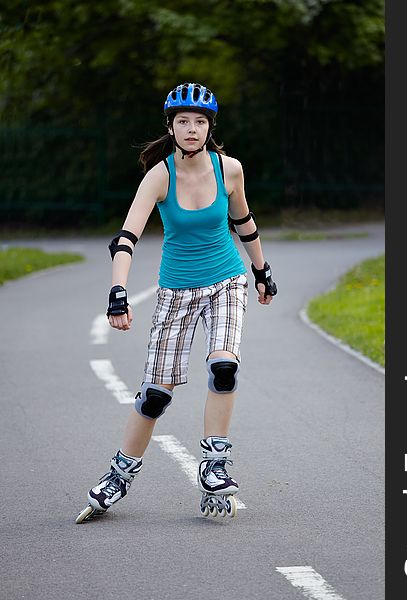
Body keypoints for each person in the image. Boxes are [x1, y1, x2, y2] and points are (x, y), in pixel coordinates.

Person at [76, 82, 277, 523]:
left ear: (210, 127)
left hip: (226, 281)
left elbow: (243, 221)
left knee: (224, 366)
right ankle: (118, 473)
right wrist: (118, 291)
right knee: (155, 396)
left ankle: (215, 462)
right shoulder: (160, 175)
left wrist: (261, 271)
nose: (191, 128)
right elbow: (125, 238)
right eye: (183, 121)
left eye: (200, 121)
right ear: (170, 126)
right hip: (176, 291)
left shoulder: (230, 169)